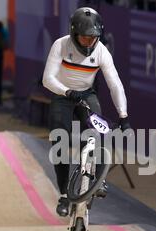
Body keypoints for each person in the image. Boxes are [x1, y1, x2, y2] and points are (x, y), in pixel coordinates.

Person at [42, 7, 131, 217]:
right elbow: (48, 79)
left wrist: (123, 116)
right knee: (60, 143)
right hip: (62, 93)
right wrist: (66, 91)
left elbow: (115, 85)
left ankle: (98, 179)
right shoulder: (61, 45)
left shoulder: (101, 51)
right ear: (73, 33)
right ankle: (64, 194)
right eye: (84, 38)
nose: (89, 42)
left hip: (85, 94)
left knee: (99, 132)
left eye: (93, 38)